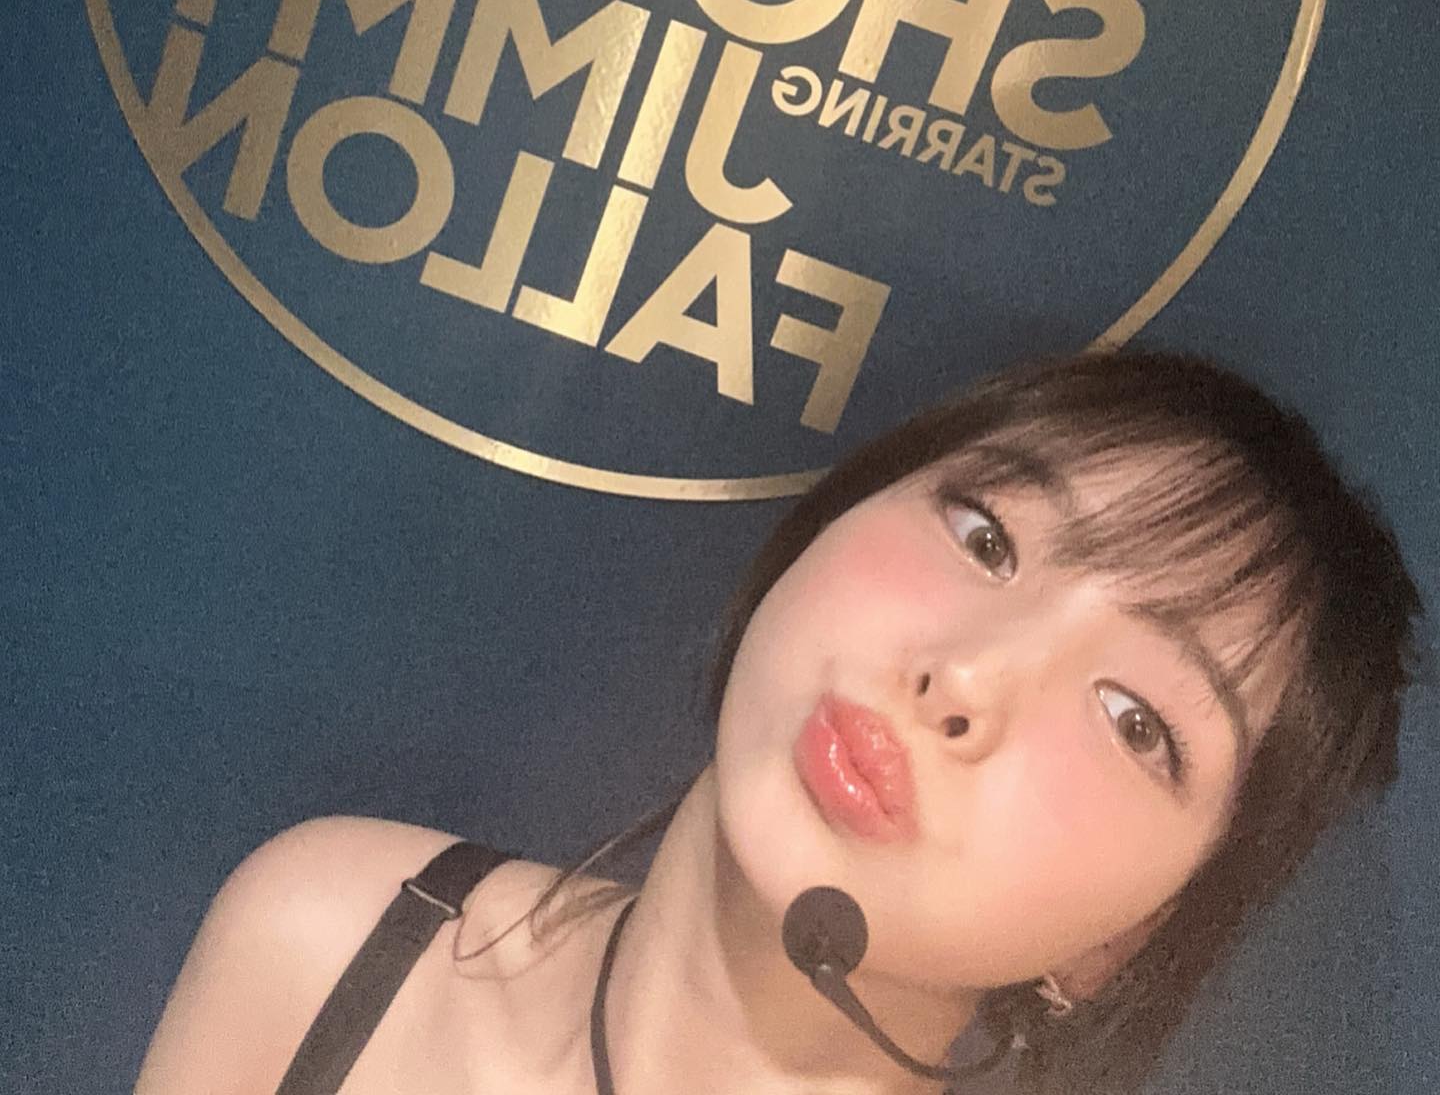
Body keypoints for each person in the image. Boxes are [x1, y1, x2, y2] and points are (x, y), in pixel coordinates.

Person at [135, 350, 1421, 1095]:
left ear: (1127, 945)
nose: (965, 678)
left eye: (1137, 719)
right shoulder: (335, 938)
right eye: (986, 537)